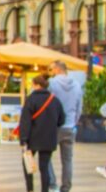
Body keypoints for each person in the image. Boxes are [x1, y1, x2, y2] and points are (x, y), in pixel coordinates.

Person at [20, 76, 65, 192]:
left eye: (32, 84)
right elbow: (62, 120)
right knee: (44, 167)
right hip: (49, 139)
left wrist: (23, 139)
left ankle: (30, 189)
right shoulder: (55, 100)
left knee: (27, 165)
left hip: (32, 139)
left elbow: (25, 121)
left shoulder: (31, 99)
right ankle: (45, 190)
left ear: (36, 85)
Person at [46, 61, 83, 192]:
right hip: (70, 127)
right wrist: (73, 122)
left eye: (51, 69)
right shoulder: (77, 85)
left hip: (54, 126)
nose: (50, 72)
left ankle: (52, 184)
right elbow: (79, 107)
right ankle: (66, 188)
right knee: (67, 160)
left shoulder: (51, 84)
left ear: (57, 69)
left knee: (46, 155)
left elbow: (47, 105)